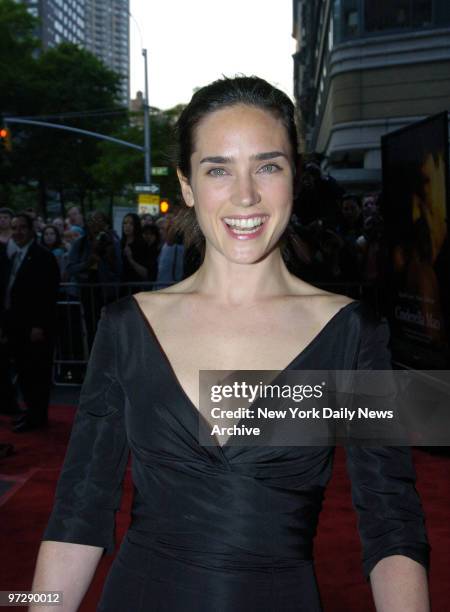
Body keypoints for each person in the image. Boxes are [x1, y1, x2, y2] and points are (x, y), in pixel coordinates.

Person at [32, 77, 430, 612]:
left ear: (296, 177)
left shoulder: (352, 335)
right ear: (188, 185)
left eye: (268, 166)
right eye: (218, 169)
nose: (245, 195)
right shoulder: (128, 327)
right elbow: (80, 509)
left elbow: (392, 524)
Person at [0, 212, 60, 431]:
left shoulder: (43, 256)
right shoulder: (11, 256)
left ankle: (37, 416)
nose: (17, 232)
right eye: (14, 228)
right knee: (24, 373)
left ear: (31, 229)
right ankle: (29, 413)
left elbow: (47, 294)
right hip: (15, 324)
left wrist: (39, 325)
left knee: (37, 373)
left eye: (21, 227)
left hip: (35, 327)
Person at [120, 213, 152, 292]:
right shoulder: (120, 243)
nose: (127, 226)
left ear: (136, 226)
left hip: (136, 288)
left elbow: (145, 273)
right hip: (121, 288)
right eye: (125, 223)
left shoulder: (142, 244)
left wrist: (130, 259)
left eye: (131, 223)